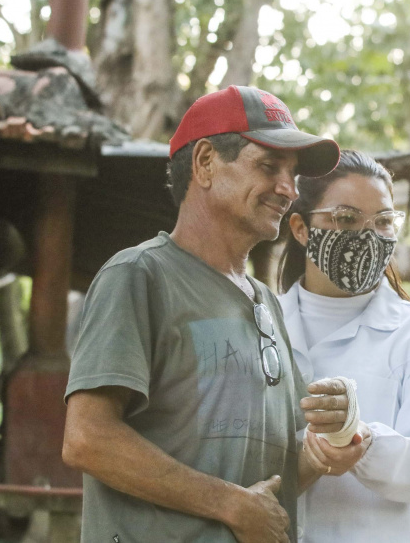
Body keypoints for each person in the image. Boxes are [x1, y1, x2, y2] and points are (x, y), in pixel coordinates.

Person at [62, 85, 365, 543]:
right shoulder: (139, 276)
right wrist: (228, 503)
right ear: (205, 163)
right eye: (268, 167)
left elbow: (275, 480)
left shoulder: (266, 303)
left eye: (294, 175)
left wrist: (332, 443)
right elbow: (87, 438)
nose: (288, 190)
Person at [276, 150, 410, 542]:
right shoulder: (260, 325)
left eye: (383, 221)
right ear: (301, 228)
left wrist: (363, 442)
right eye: (346, 218)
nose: (368, 234)